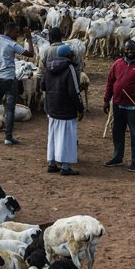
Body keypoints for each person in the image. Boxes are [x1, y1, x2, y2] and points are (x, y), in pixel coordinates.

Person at [104, 39, 135, 172]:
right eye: (127, 49)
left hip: (134, 107)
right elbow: (110, 82)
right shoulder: (117, 63)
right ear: (124, 50)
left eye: (132, 49)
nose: (129, 51)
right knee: (117, 133)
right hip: (118, 104)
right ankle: (117, 157)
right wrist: (106, 100)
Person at [0, 21, 34, 145]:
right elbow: (30, 54)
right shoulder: (12, 44)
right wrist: (29, 39)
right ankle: (8, 137)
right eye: (16, 32)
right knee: (10, 109)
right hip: (10, 80)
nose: (17, 35)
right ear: (10, 31)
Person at [41, 44, 83, 175]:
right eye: (71, 53)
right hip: (67, 109)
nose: (73, 55)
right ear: (68, 55)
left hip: (52, 107)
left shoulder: (48, 67)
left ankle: (52, 163)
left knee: (53, 136)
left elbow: (42, 85)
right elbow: (74, 91)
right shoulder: (70, 68)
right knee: (67, 138)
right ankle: (65, 166)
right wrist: (80, 108)